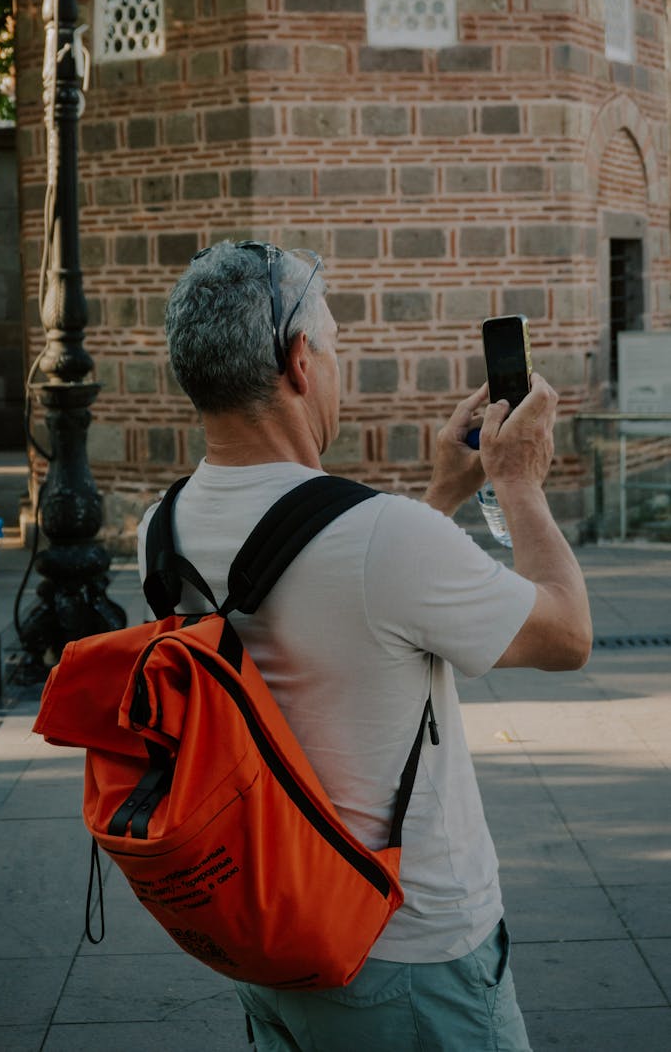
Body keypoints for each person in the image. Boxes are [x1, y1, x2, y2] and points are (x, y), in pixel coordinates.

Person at [138, 241, 592, 1052]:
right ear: (299, 361)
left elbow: (347, 610)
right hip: (406, 948)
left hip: (273, 926)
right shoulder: (383, 538)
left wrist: (441, 498)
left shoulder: (160, 527)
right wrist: (515, 480)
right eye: (337, 346)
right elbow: (564, 635)